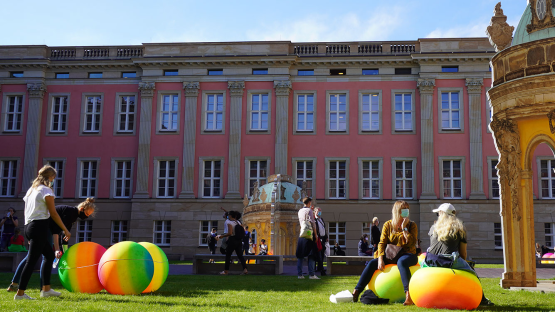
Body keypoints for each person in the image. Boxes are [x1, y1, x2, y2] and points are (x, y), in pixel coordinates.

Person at [7, 198, 95, 293]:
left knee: (33, 257)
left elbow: (64, 237)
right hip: (44, 228)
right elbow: (56, 231)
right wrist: (57, 249)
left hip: (44, 228)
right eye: (86, 214)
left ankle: (18, 284)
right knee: (43, 257)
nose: (86, 217)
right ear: (81, 209)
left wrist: (65, 253)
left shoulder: (73, 216)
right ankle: (44, 288)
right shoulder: (70, 213)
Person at [15, 165, 71, 300]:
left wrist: (30, 231)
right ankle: (20, 294)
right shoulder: (46, 190)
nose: (53, 181)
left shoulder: (31, 190)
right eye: (53, 178)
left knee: (49, 255)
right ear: (50, 177)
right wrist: (65, 229)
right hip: (39, 227)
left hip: (30, 226)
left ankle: (46, 289)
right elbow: (54, 213)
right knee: (31, 261)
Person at [426, 203, 494, 306]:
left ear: (442, 214)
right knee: (473, 273)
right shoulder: (459, 228)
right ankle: (482, 300)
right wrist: (464, 265)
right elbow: (463, 253)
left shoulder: (433, 228)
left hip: (430, 260)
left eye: (438, 214)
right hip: (448, 261)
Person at [352, 200, 418, 305]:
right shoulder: (388, 225)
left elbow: (411, 243)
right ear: (397, 211)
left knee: (402, 262)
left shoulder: (412, 225)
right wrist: (380, 259)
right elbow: (381, 243)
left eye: (407, 209)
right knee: (372, 263)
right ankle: (356, 292)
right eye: (403, 209)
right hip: (392, 255)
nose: (406, 211)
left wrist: (404, 228)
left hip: (408, 254)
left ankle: (408, 296)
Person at [216, 211, 248, 275]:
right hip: (239, 240)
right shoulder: (238, 222)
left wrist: (222, 236)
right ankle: (245, 269)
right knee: (240, 256)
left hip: (232, 240)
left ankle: (226, 271)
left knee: (228, 255)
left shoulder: (229, 222)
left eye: (229, 215)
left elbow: (230, 233)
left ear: (230, 216)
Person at [296, 197, 319, 280]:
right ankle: (312, 274)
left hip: (302, 234)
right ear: (309, 202)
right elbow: (313, 224)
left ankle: (300, 274)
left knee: (300, 256)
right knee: (312, 255)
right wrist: (315, 235)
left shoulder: (300, 211)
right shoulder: (309, 210)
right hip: (309, 234)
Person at [314, 207, 328, 276]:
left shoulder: (321, 219)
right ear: (315, 212)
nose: (319, 212)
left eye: (320, 211)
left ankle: (320, 267)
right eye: (318, 211)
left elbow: (324, 229)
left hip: (323, 238)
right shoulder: (314, 220)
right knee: (317, 254)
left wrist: (326, 237)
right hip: (318, 238)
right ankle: (318, 268)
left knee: (322, 254)